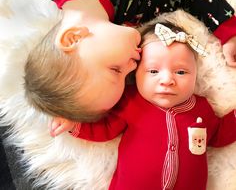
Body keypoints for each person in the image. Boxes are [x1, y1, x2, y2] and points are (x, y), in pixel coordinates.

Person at [1, 0, 236, 122]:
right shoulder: (138, 9)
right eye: (126, 77)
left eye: (115, 69)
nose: (132, 65)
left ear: (72, 38)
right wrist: (227, 29)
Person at [50, 14, 236, 190]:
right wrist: (74, 125)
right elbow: (105, 128)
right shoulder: (131, 102)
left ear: (195, 75)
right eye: (153, 71)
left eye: (181, 72)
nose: (167, 80)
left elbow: (218, 134)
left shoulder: (201, 108)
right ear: (135, 73)